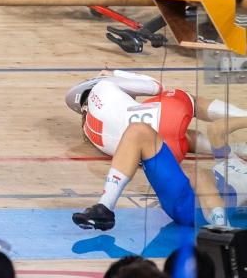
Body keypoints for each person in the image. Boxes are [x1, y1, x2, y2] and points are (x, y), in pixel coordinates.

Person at [66, 69, 247, 230]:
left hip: (199, 210)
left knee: (200, 174)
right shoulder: (231, 159)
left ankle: (221, 226)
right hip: (181, 198)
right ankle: (104, 209)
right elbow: (216, 129)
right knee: (138, 131)